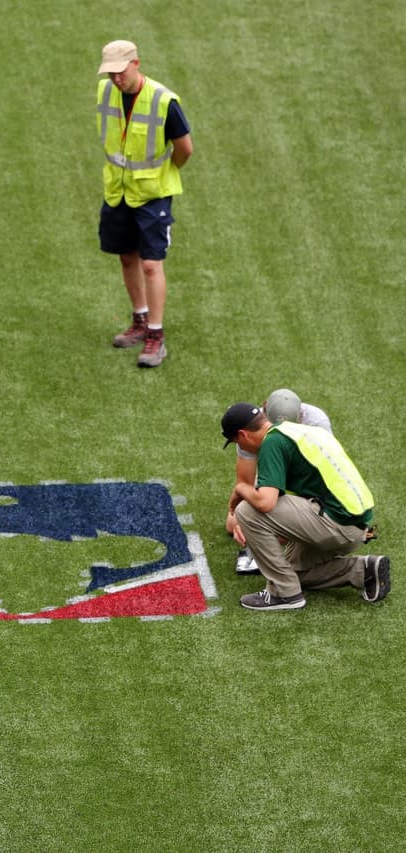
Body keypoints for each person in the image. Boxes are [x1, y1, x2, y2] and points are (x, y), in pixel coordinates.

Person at [220, 402, 388, 611]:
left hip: (337, 524)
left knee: (247, 510)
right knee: (290, 572)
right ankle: (363, 571)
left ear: (243, 435)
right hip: (356, 525)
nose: (242, 448)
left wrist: (241, 490)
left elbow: (265, 502)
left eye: (237, 442)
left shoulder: (271, 443)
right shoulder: (296, 431)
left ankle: (284, 594)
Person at [96, 40, 193, 368]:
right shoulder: (106, 92)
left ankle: (156, 334)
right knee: (127, 257)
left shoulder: (164, 101)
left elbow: (185, 148)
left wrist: (165, 173)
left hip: (153, 194)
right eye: (110, 73)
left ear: (136, 63)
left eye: (120, 72)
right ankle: (139, 319)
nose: (115, 80)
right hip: (119, 190)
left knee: (151, 263)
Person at [226, 389, 334, 575]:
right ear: (265, 418)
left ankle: (286, 590)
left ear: (300, 418)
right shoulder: (250, 429)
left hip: (310, 485)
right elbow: (245, 481)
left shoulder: (317, 423)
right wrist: (240, 521)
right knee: (235, 522)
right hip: (273, 476)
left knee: (279, 526)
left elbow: (324, 479)